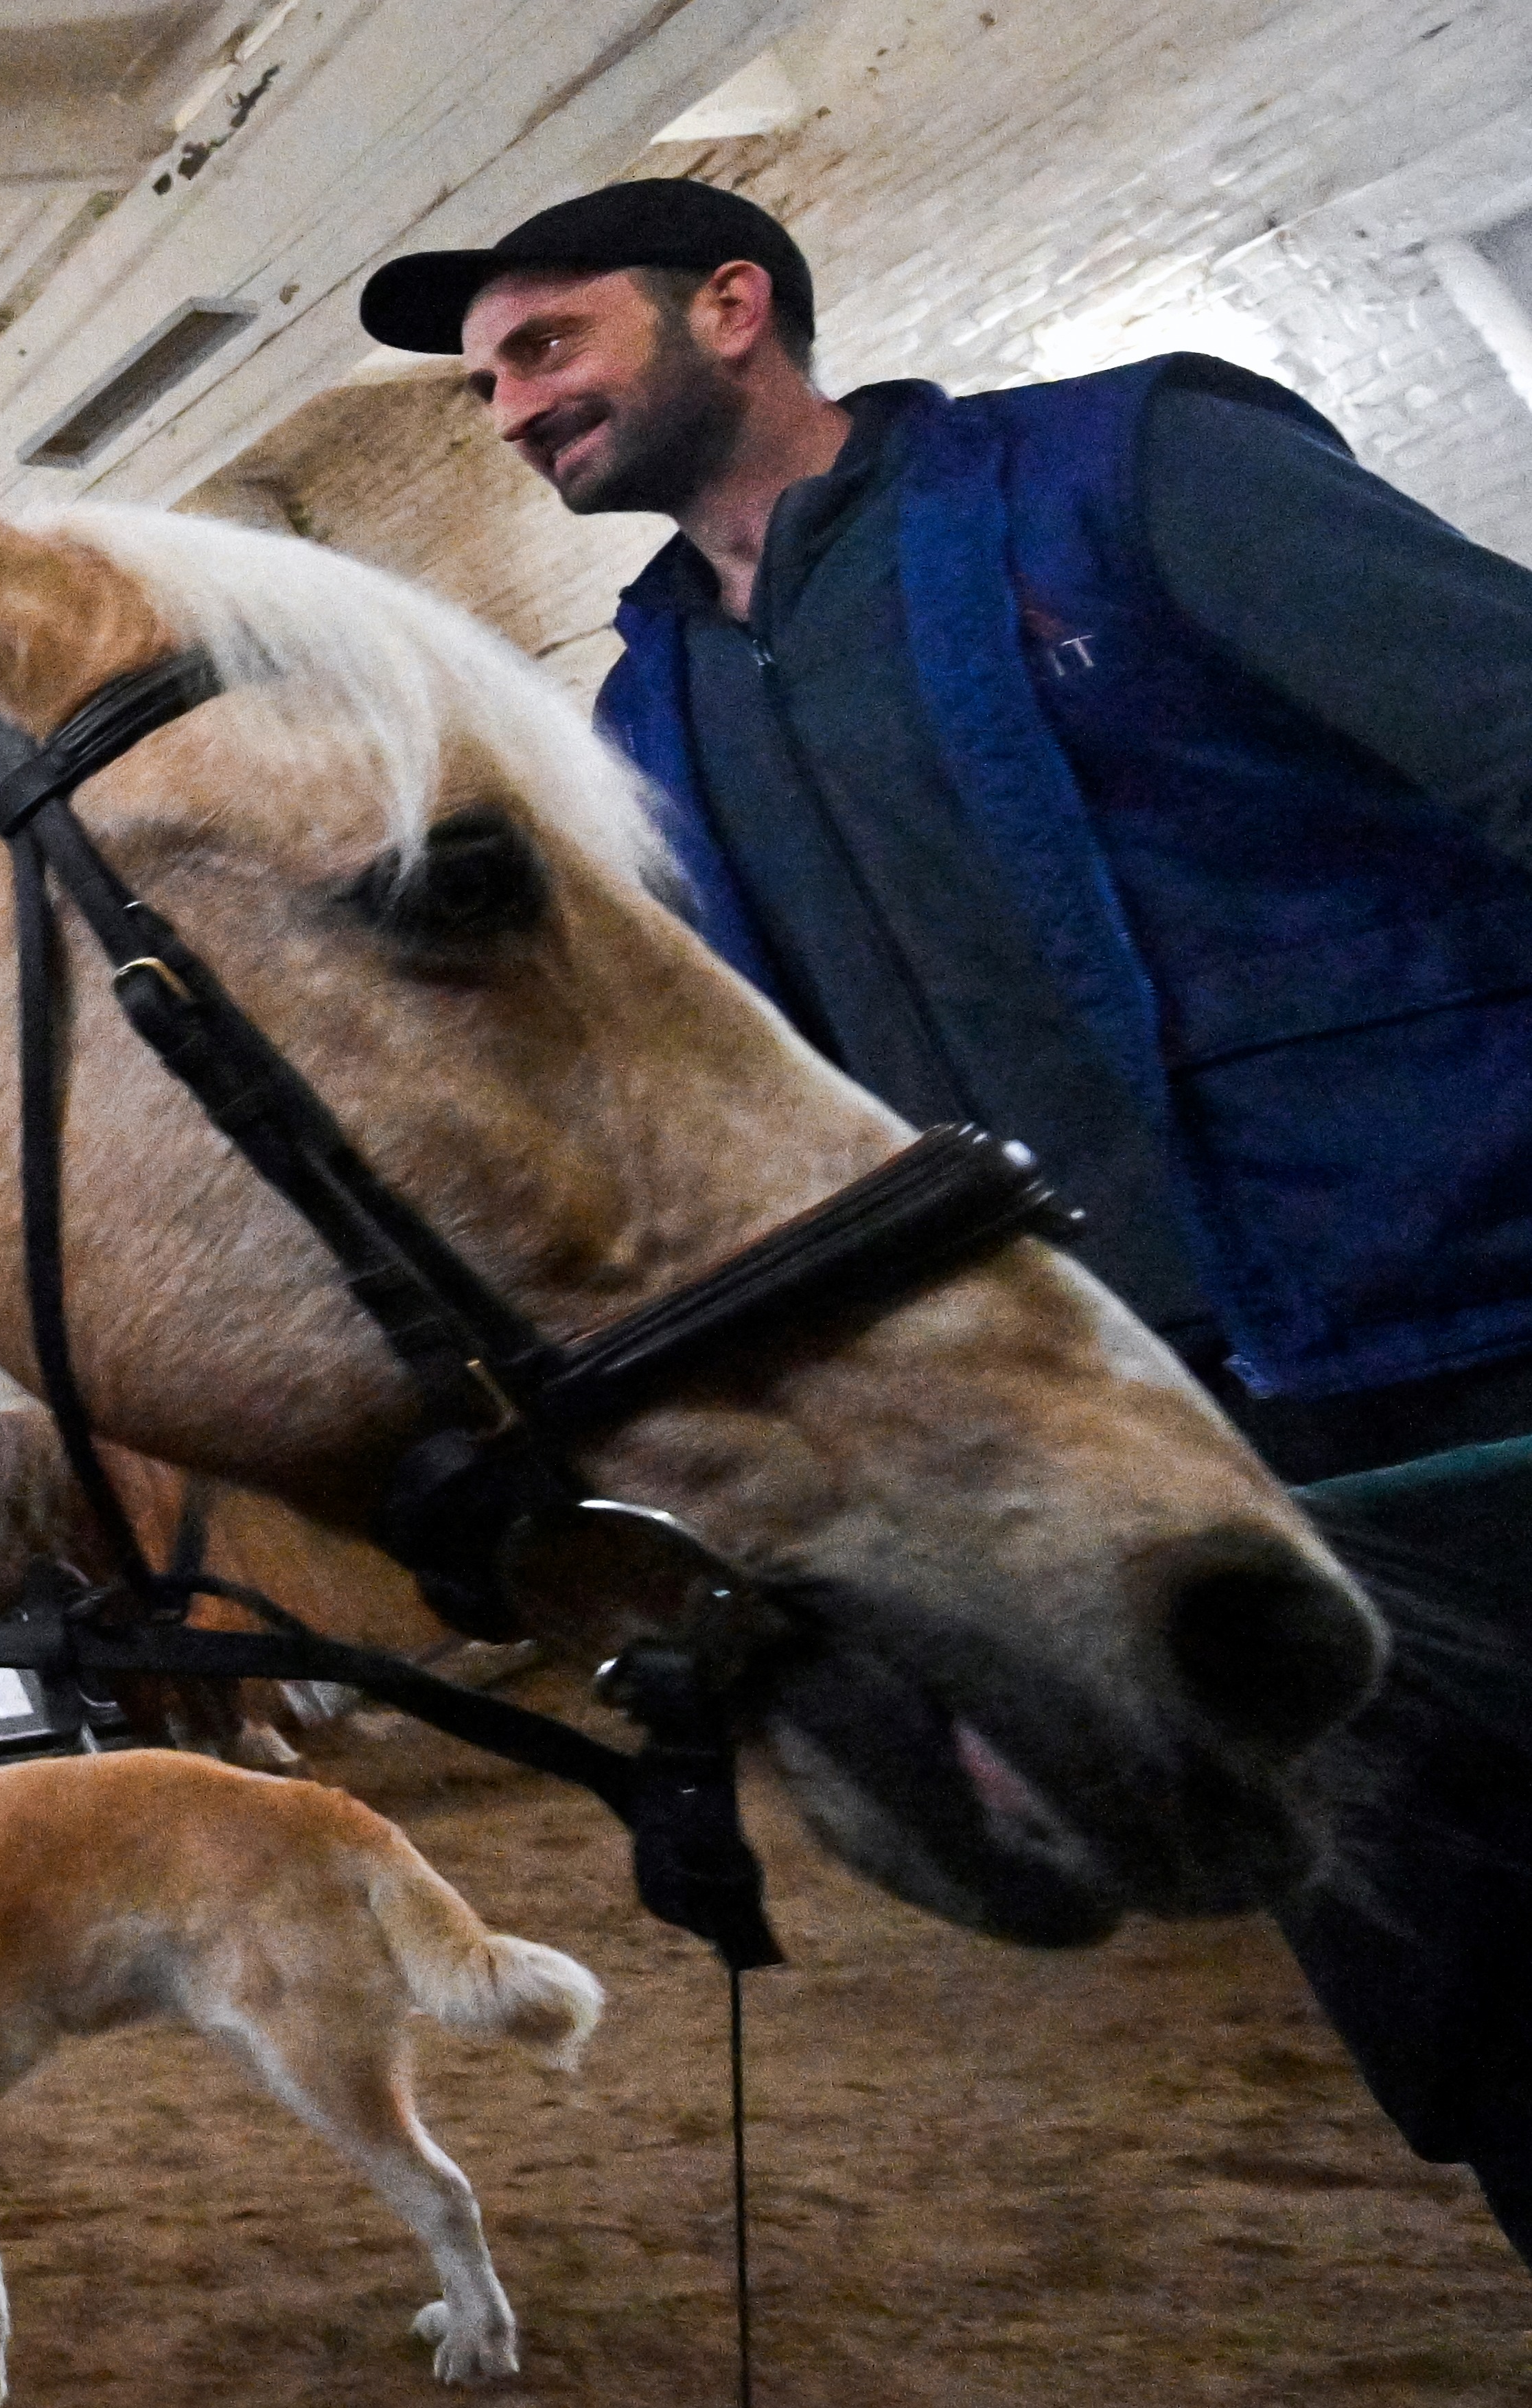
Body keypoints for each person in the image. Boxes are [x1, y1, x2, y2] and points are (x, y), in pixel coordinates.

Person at [360, 178, 1532, 2257]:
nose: (514, 409)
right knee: (1481, 2013)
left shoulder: (1127, 472)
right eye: (486, 384)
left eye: (548, 346)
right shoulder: (649, 719)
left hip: (1470, 1342)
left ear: (734, 305)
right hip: (1161, 1442)